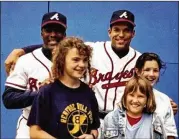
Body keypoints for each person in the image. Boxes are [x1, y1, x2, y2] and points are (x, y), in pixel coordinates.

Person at [4, 9, 178, 129]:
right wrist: (23, 50)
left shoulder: (139, 59)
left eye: (127, 31)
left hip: (121, 120)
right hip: (90, 119)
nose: (121, 35)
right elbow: (62, 46)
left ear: (133, 33)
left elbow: (147, 81)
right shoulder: (93, 50)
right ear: (109, 31)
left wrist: (163, 103)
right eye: (116, 29)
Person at [2, 11, 67, 138]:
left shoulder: (75, 58)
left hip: (62, 126)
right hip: (29, 123)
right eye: (48, 30)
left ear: (64, 35)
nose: (53, 35)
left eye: (58, 30)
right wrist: (42, 94)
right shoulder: (25, 60)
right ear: (41, 33)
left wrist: (22, 49)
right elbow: (9, 99)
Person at [27, 37, 100, 139]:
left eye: (85, 60)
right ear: (62, 60)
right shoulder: (47, 92)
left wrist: (92, 136)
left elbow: (94, 128)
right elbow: (35, 132)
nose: (82, 65)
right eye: (76, 60)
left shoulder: (89, 92)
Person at [104, 76, 175, 139]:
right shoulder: (111, 118)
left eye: (140, 96)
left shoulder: (156, 120)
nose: (135, 100)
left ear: (147, 99)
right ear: (125, 96)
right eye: (131, 95)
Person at [134, 52, 178, 137]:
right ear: (137, 72)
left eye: (155, 70)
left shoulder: (164, 99)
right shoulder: (125, 97)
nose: (151, 74)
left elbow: (170, 133)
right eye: (147, 70)